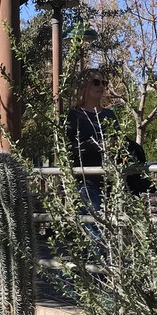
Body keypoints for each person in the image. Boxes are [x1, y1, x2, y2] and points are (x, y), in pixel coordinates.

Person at [65, 68, 118, 213]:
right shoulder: (74, 115)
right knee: (95, 233)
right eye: (96, 82)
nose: (101, 86)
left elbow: (119, 140)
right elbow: (70, 148)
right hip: (86, 183)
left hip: (111, 183)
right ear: (84, 86)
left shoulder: (109, 114)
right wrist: (97, 145)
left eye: (103, 82)